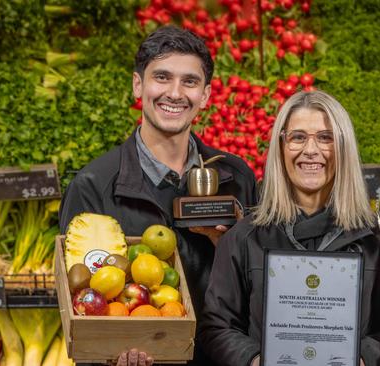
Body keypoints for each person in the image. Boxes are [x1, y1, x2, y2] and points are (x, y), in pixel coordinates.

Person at [59, 25, 257, 365]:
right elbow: (80, 302)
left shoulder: (237, 177)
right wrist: (109, 357)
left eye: (189, 81)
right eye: (162, 77)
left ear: (206, 95)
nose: (175, 93)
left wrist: (229, 247)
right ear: (139, 85)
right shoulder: (94, 186)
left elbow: (262, 287)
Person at [197, 90, 380, 366]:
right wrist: (255, 359)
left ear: (343, 147)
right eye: (298, 137)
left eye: (325, 137)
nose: (311, 150)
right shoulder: (244, 237)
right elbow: (215, 327)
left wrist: (363, 357)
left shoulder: (379, 241)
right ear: (281, 146)